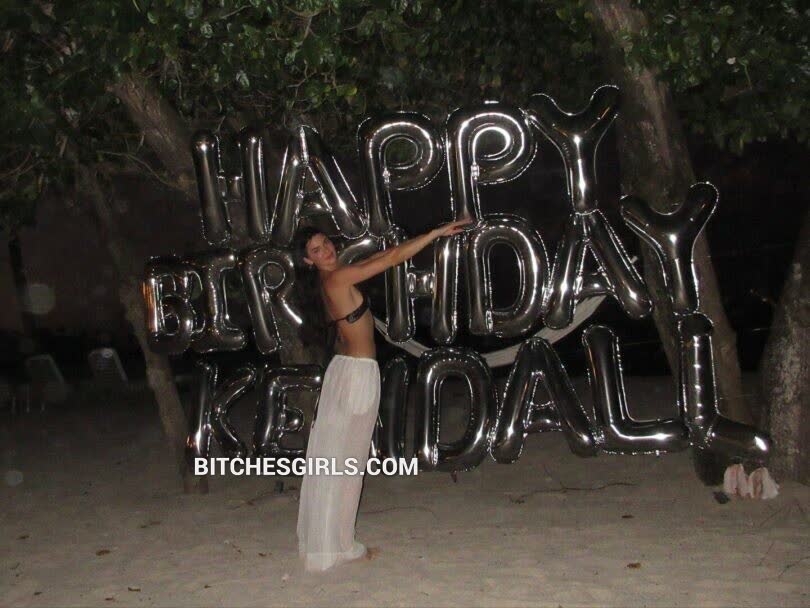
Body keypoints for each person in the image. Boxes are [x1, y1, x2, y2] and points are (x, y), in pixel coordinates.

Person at [293, 219, 472, 572]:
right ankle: (338, 546)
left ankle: (335, 543)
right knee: (347, 464)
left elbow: (378, 261)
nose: (326, 250)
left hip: (345, 371)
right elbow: (390, 259)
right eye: (316, 250)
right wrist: (433, 234)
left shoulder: (327, 282)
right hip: (356, 375)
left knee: (339, 461)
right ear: (308, 260)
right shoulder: (336, 279)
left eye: (325, 243)